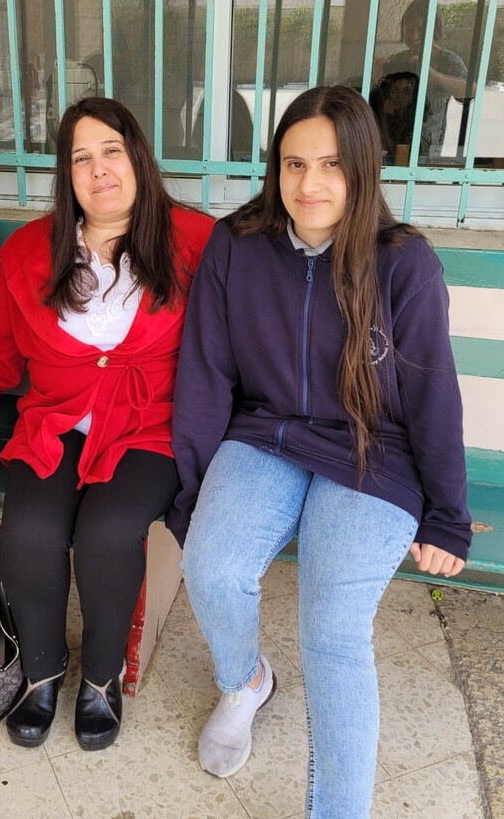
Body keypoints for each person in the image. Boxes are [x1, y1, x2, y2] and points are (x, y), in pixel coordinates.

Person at [170, 85, 471, 818]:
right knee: (210, 567)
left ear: (364, 169)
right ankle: (245, 682)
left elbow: (435, 396)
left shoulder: (404, 264)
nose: (309, 185)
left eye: (332, 164)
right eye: (293, 163)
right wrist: (194, 492)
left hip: (378, 453)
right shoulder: (236, 244)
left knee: (332, 629)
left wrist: (447, 517)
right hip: (268, 433)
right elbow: (206, 373)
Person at [0, 96, 214, 752]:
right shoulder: (28, 253)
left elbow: (244, 332)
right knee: (30, 532)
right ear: (66, 175)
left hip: (148, 427)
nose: (100, 171)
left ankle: (101, 680)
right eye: (81, 158)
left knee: (108, 532)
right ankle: (43, 671)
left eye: (112, 152)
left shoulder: (195, 241)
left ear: (138, 159)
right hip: (54, 423)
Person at [375, 0, 469, 161]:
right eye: (409, 29)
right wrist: (376, 77)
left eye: (421, 29)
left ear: (435, 30)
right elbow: (380, 103)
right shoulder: (396, 59)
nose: (414, 36)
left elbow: (470, 93)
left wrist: (436, 77)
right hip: (392, 145)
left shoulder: (446, 59)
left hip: (429, 149)